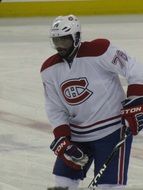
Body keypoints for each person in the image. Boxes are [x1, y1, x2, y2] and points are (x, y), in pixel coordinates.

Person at [40, 15, 143, 190]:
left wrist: (135, 101)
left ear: (77, 37)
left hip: (112, 130)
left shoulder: (100, 50)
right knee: (63, 182)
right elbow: (55, 108)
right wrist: (62, 137)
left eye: (64, 40)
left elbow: (134, 68)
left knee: (109, 187)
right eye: (56, 41)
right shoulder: (49, 69)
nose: (60, 46)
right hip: (77, 134)